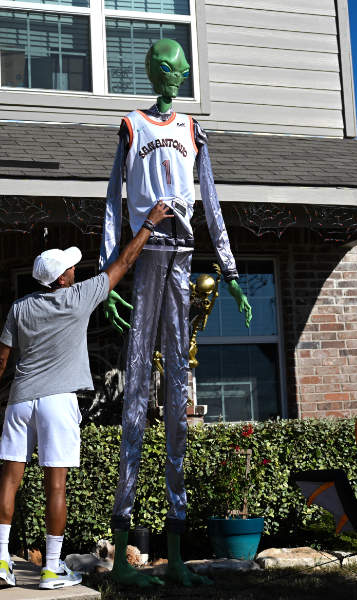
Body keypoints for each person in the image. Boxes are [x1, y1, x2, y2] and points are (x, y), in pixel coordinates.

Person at [99, 38, 253, 587]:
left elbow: (211, 201)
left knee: (178, 397)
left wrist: (230, 273)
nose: (173, 77)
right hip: (144, 260)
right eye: (164, 68)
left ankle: (176, 553)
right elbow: (113, 200)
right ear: (149, 70)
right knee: (137, 394)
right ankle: (121, 551)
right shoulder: (131, 126)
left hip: (183, 258)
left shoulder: (193, 131)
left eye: (181, 70)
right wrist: (108, 274)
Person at [0, 201, 173, 590]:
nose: (74, 269)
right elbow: (125, 261)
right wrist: (150, 224)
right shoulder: (79, 297)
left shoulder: (19, 309)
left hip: (20, 399)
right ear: (62, 280)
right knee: (56, 485)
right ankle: (52, 568)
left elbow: (2, 359)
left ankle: (2, 563)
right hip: (58, 402)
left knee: (9, 479)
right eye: (70, 267)